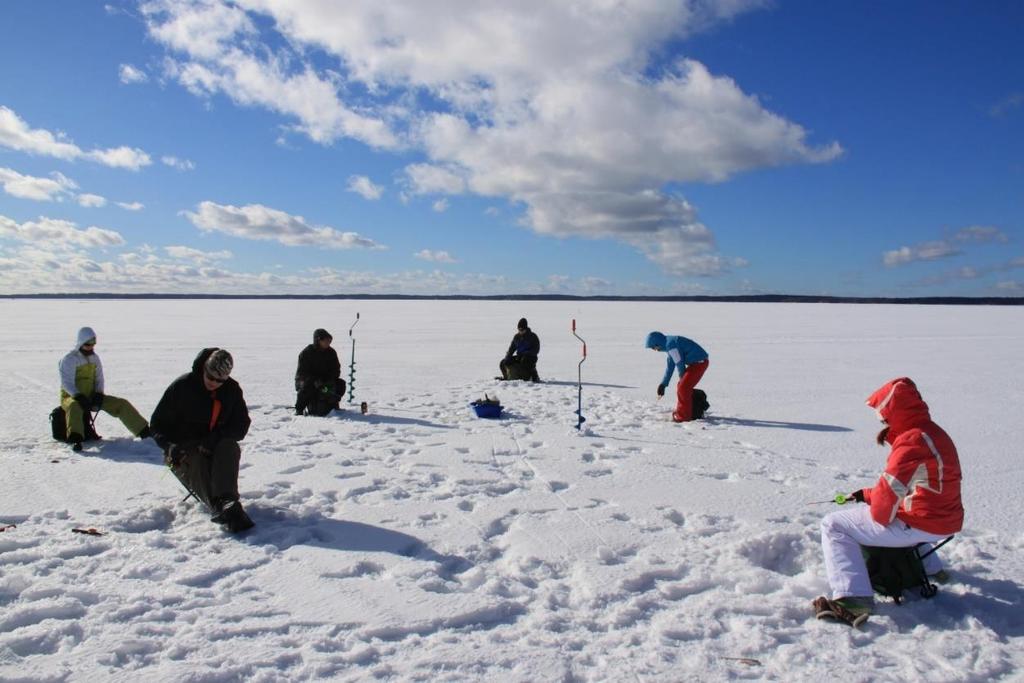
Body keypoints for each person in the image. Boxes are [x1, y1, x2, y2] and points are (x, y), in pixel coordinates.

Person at [814, 377, 964, 623]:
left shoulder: (911, 441)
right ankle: (933, 570)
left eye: (882, 414)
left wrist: (875, 503)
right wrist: (868, 494)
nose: (881, 420)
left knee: (834, 525)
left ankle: (853, 597)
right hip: (947, 520)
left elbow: (884, 510)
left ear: (892, 411)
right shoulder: (933, 432)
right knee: (911, 511)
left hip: (924, 523)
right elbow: (913, 487)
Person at [150, 348, 254, 532]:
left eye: (219, 380)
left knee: (229, 446)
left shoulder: (232, 390)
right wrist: (169, 446)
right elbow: (157, 425)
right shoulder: (182, 387)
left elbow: (241, 425)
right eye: (210, 377)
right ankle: (221, 506)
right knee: (197, 461)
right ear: (203, 369)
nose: (213, 382)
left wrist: (215, 438)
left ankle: (228, 501)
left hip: (214, 445)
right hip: (182, 450)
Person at [58, 326, 150, 452]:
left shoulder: (95, 358)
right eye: (87, 344)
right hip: (71, 397)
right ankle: (76, 440)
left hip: (91, 396)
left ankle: (144, 431)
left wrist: (98, 394)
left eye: (93, 344)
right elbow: (66, 382)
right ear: (80, 343)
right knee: (74, 406)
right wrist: (78, 396)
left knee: (121, 404)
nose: (91, 347)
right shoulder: (69, 359)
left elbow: (99, 379)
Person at [644, 331, 709, 422]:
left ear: (657, 343)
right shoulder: (669, 344)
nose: (655, 350)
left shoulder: (671, 345)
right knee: (682, 387)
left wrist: (682, 380)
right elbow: (670, 366)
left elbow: (679, 363)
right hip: (696, 364)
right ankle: (686, 410)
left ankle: (684, 416)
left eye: (654, 347)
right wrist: (663, 384)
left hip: (699, 364)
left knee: (683, 387)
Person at [294, 328, 346, 416]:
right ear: (318, 340)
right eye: (326, 341)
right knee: (307, 385)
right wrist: (315, 380)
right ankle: (299, 409)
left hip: (324, 380)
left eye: (329, 341)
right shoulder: (307, 353)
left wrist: (327, 380)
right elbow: (302, 373)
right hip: (306, 381)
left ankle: (333, 404)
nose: (328, 343)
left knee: (340, 384)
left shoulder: (331, 352)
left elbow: (336, 370)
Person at [499, 318, 540, 382]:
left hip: (530, 357)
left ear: (526, 329)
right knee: (503, 362)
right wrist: (507, 357)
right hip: (519, 356)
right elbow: (511, 349)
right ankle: (506, 377)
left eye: (522, 329)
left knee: (524, 360)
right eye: (519, 329)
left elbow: (536, 350)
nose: (520, 331)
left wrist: (526, 353)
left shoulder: (533, 336)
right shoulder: (516, 337)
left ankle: (533, 376)